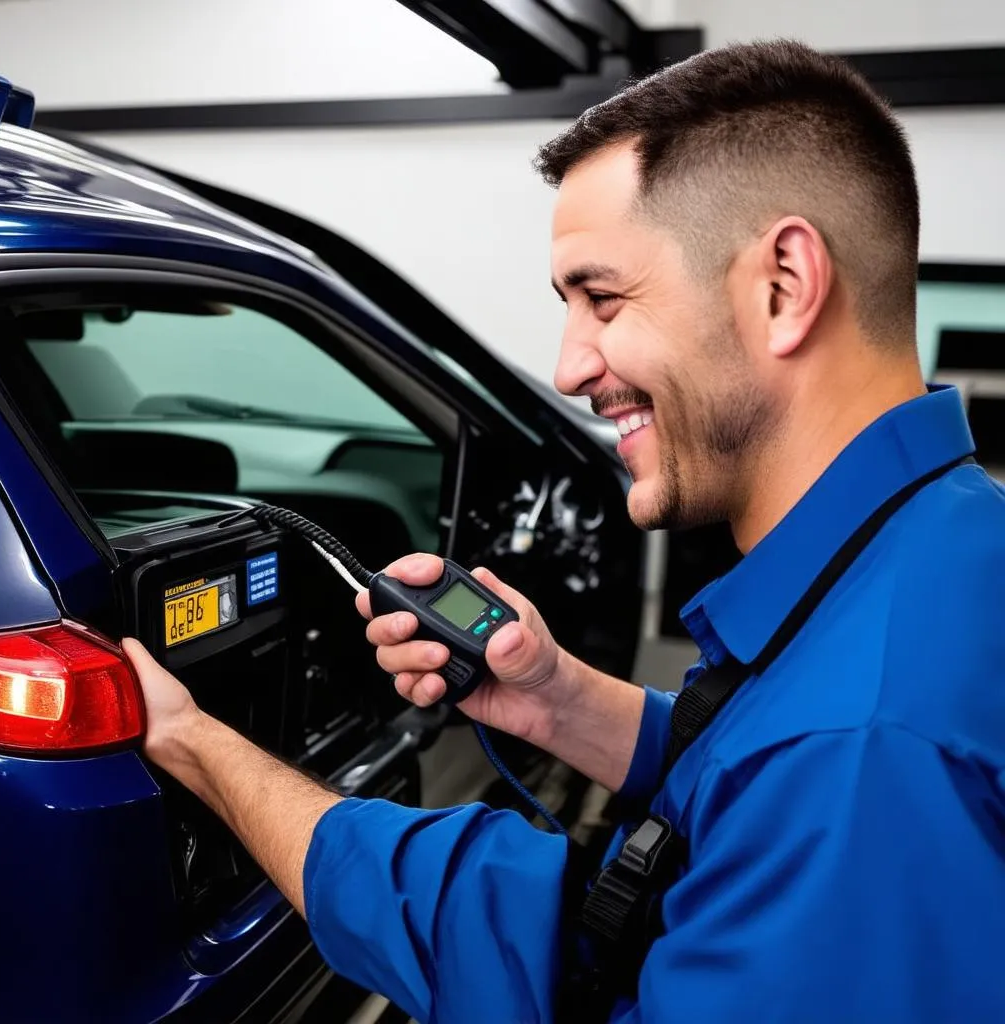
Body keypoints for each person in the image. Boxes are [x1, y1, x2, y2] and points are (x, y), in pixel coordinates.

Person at [124, 38, 1005, 1024]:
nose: (570, 367)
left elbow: (803, 777)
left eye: (602, 297)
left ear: (783, 284)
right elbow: (749, 770)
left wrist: (191, 740)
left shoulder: (857, 758)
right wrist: (560, 703)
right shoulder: (948, 536)